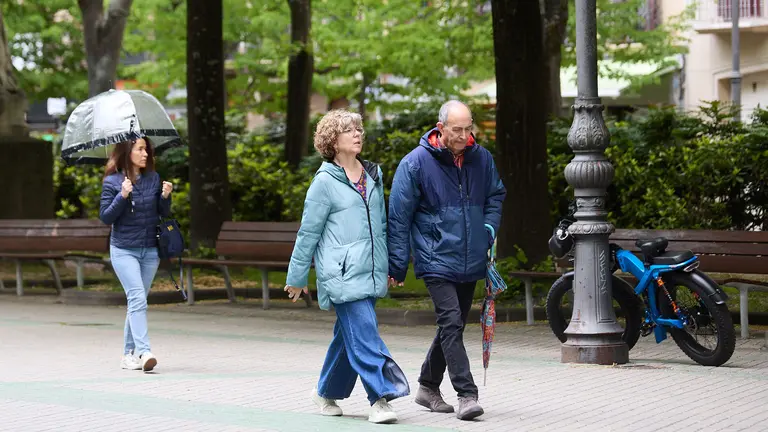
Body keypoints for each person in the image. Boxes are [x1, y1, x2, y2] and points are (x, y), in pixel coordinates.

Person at [284, 109, 410, 424]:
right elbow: (308, 233)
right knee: (365, 333)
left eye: (358, 128)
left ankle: (326, 391)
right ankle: (380, 396)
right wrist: (297, 277)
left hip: (370, 269)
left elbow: (381, 227)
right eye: (348, 130)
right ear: (332, 141)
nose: (357, 134)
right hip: (341, 274)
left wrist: (392, 266)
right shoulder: (324, 182)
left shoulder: (371, 176)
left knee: (348, 336)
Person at [387, 100, 506, 421]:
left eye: (469, 129)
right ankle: (467, 394)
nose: (464, 136)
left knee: (451, 325)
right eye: (457, 130)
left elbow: (496, 195)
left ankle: (427, 386)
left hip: (470, 257)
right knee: (452, 322)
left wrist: (488, 227)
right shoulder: (415, 163)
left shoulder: (482, 159)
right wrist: (397, 264)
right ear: (440, 129)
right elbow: (399, 218)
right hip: (434, 256)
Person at [99, 137, 173, 372]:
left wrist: (165, 197)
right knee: (138, 298)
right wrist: (122, 195)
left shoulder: (153, 179)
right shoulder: (112, 182)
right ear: (126, 152)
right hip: (123, 250)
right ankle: (144, 351)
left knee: (137, 302)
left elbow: (162, 213)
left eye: (147, 149)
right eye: (140, 149)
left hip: (150, 250)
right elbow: (106, 217)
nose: (145, 154)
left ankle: (127, 355)